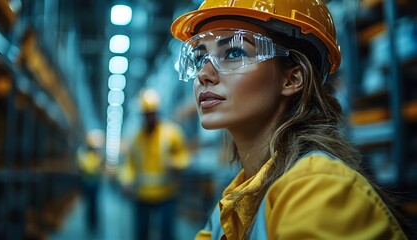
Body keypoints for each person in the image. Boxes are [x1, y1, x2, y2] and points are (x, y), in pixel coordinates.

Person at [170, 0, 410, 239]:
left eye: (234, 52)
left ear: (293, 78)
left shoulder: (318, 189)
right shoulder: (237, 201)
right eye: (201, 58)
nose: (204, 74)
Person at [123, 88, 190, 240]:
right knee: (141, 233)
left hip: (167, 194)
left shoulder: (172, 133)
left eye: (152, 113)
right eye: (146, 114)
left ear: (157, 112)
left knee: (167, 234)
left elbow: (184, 156)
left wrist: (176, 163)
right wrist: (126, 180)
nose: (149, 117)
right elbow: (129, 164)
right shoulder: (136, 138)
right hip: (142, 196)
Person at [77, 144, 102, 232]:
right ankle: (93, 222)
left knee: (89, 203)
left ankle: (90, 222)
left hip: (88, 182)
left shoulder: (85, 157)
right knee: (93, 204)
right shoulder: (96, 157)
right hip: (93, 183)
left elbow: (82, 167)